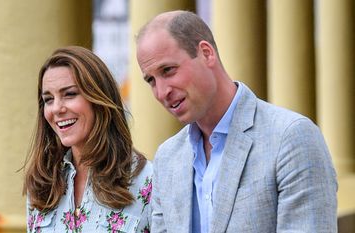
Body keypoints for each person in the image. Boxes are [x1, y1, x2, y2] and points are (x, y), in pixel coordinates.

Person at [136, 10, 337, 232]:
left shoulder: (291, 137)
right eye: (151, 80)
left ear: (206, 53)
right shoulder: (167, 157)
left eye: (168, 70)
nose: (162, 92)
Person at [23, 46, 152, 232]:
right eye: (48, 99)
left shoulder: (148, 181)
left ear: (98, 98)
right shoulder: (42, 185)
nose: (57, 108)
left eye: (70, 94)